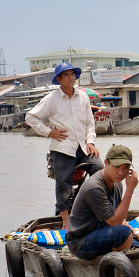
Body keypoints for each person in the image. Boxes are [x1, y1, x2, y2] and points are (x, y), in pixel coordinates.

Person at [26, 63, 103, 229]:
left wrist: (91, 142)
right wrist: (49, 132)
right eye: (66, 75)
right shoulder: (52, 99)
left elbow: (90, 123)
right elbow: (30, 117)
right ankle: (66, 221)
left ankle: (100, 210)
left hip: (83, 147)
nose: (71, 78)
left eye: (72, 74)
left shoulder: (83, 97)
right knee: (63, 183)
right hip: (62, 147)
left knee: (100, 170)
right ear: (59, 79)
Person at [64, 145, 139, 260]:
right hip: (80, 243)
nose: (121, 173)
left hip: (101, 231)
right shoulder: (95, 187)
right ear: (106, 163)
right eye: (116, 167)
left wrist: (137, 234)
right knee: (124, 233)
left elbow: (119, 217)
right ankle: (115, 265)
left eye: (125, 168)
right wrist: (130, 190)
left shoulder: (117, 183)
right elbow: (114, 222)